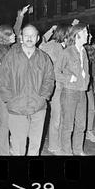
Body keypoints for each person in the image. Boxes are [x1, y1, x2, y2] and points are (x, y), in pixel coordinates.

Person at [0, 24, 55, 156]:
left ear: (38, 38)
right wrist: (10, 100)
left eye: (33, 35)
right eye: (26, 35)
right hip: (16, 109)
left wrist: (43, 97)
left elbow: (49, 79)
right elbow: (2, 79)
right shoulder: (11, 56)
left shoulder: (44, 58)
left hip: (38, 108)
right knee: (18, 147)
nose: (29, 38)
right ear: (21, 37)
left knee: (35, 146)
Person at [0, 5, 29, 155]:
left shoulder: (6, 48)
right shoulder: (2, 50)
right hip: (3, 94)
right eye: (12, 35)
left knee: (6, 123)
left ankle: (5, 150)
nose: (15, 36)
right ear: (5, 36)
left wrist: (20, 16)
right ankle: (1, 152)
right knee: (4, 124)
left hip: (6, 92)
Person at [54, 23, 90, 155]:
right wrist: (69, 78)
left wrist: (86, 81)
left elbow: (85, 71)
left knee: (81, 125)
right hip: (69, 92)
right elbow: (55, 72)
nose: (88, 35)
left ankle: (78, 150)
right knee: (68, 125)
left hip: (82, 92)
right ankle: (67, 152)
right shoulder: (67, 52)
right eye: (85, 32)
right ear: (77, 35)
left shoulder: (84, 51)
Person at [39, 24, 70, 155]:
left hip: (62, 85)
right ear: (64, 36)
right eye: (70, 35)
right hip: (55, 86)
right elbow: (41, 46)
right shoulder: (53, 46)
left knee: (61, 116)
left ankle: (58, 144)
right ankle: (53, 146)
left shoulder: (65, 47)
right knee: (56, 117)